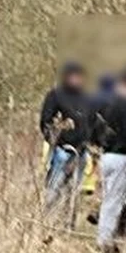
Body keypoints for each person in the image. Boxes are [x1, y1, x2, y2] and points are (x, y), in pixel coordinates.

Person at [92, 68, 126, 253]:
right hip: (123, 157)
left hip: (106, 155)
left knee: (108, 199)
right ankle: (105, 242)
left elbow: (96, 126)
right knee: (115, 201)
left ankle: (105, 238)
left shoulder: (108, 103)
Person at [39, 61, 91, 214]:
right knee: (54, 189)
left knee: (74, 192)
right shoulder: (56, 95)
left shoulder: (86, 97)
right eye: (74, 76)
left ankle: (68, 225)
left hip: (81, 151)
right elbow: (46, 122)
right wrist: (56, 141)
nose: (77, 80)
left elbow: (92, 122)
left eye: (80, 76)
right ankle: (47, 219)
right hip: (61, 151)